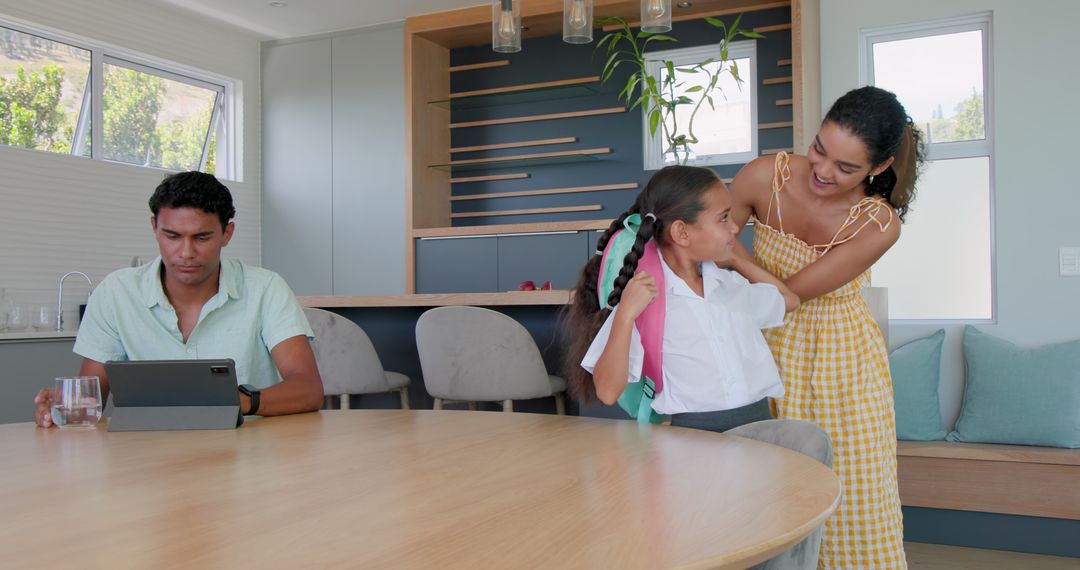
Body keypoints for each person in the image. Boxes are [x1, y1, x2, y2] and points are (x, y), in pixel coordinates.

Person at [728, 85, 925, 569]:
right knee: (760, 494)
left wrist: (736, 255)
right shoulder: (762, 176)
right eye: (820, 148)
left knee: (852, 500)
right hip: (761, 351)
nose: (821, 170)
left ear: (878, 169)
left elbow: (789, 296)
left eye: (845, 167)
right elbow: (704, 241)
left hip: (843, 367)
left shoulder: (877, 224)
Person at [34, 171, 323, 427]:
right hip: (148, 459)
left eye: (201, 238)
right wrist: (62, 407)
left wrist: (240, 401)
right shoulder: (115, 293)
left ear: (227, 234)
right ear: (154, 228)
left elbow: (308, 389)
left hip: (249, 455)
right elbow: (90, 400)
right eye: (172, 236)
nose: (185, 252)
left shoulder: (265, 288)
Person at [564, 165, 799, 432]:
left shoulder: (729, 284)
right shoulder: (646, 299)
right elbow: (607, 391)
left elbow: (789, 301)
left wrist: (736, 260)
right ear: (681, 233)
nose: (735, 227)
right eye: (723, 218)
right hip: (693, 439)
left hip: (759, 428)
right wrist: (626, 315)